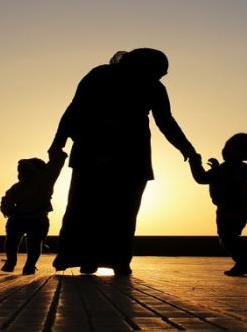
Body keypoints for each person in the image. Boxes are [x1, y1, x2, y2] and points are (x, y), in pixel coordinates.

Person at [49, 48, 196, 275]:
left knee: (121, 210)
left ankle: (113, 259)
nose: (158, 78)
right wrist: (58, 141)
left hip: (127, 152)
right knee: (88, 206)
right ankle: (86, 258)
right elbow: (76, 107)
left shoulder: (154, 87)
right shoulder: (101, 75)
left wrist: (186, 148)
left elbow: (165, 121)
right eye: (156, 72)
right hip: (97, 148)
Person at [189, 133, 247, 276]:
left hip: (229, 208)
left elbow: (202, 178)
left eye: (228, 148)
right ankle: (246, 259)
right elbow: (225, 178)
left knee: (227, 237)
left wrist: (194, 162)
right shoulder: (244, 169)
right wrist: (216, 169)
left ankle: (246, 260)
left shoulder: (226, 169)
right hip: (243, 208)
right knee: (230, 236)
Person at [0, 150, 67, 275]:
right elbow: (7, 199)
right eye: (20, 172)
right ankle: (12, 261)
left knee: (33, 244)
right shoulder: (17, 187)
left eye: (24, 172)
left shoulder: (45, 183)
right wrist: (7, 208)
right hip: (20, 218)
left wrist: (57, 158)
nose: (21, 174)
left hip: (37, 218)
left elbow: (53, 169)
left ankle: (28, 265)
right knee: (13, 242)